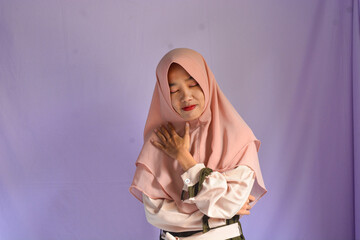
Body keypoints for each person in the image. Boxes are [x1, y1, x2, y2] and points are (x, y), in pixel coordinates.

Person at [129, 48, 267, 240]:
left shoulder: (237, 136)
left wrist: (184, 158)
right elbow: (156, 214)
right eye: (174, 90)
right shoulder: (160, 139)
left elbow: (230, 203)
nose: (186, 96)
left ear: (207, 82)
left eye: (193, 84)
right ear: (163, 94)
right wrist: (218, 213)